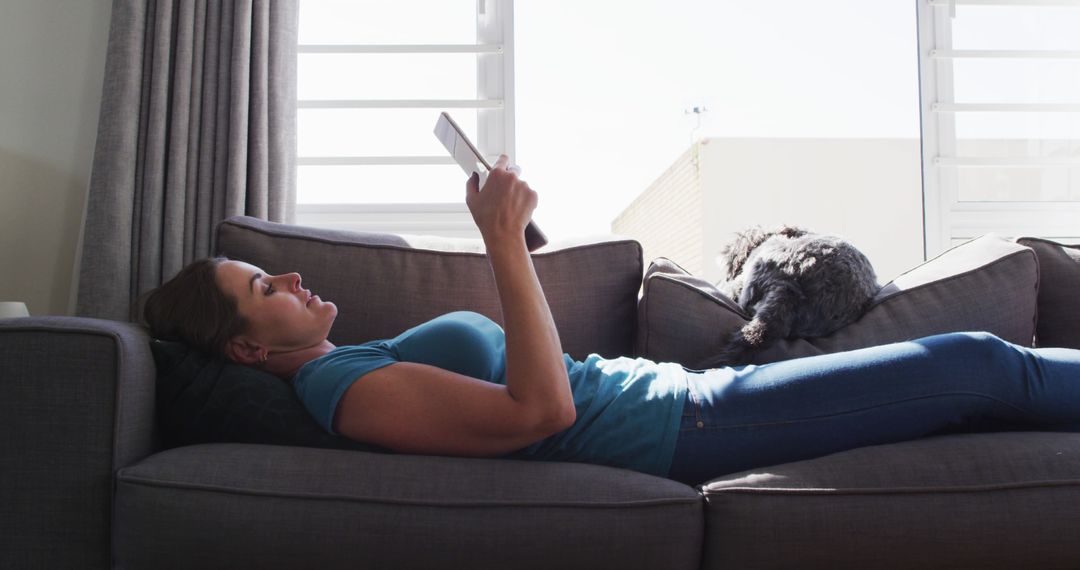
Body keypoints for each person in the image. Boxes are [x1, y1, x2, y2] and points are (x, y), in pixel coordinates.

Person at [142, 155, 1080, 486]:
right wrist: (505, 242)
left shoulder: (350, 361)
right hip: (693, 424)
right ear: (248, 348)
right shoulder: (335, 386)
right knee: (980, 366)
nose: (292, 274)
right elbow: (538, 415)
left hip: (692, 401)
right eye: (265, 286)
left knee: (980, 383)